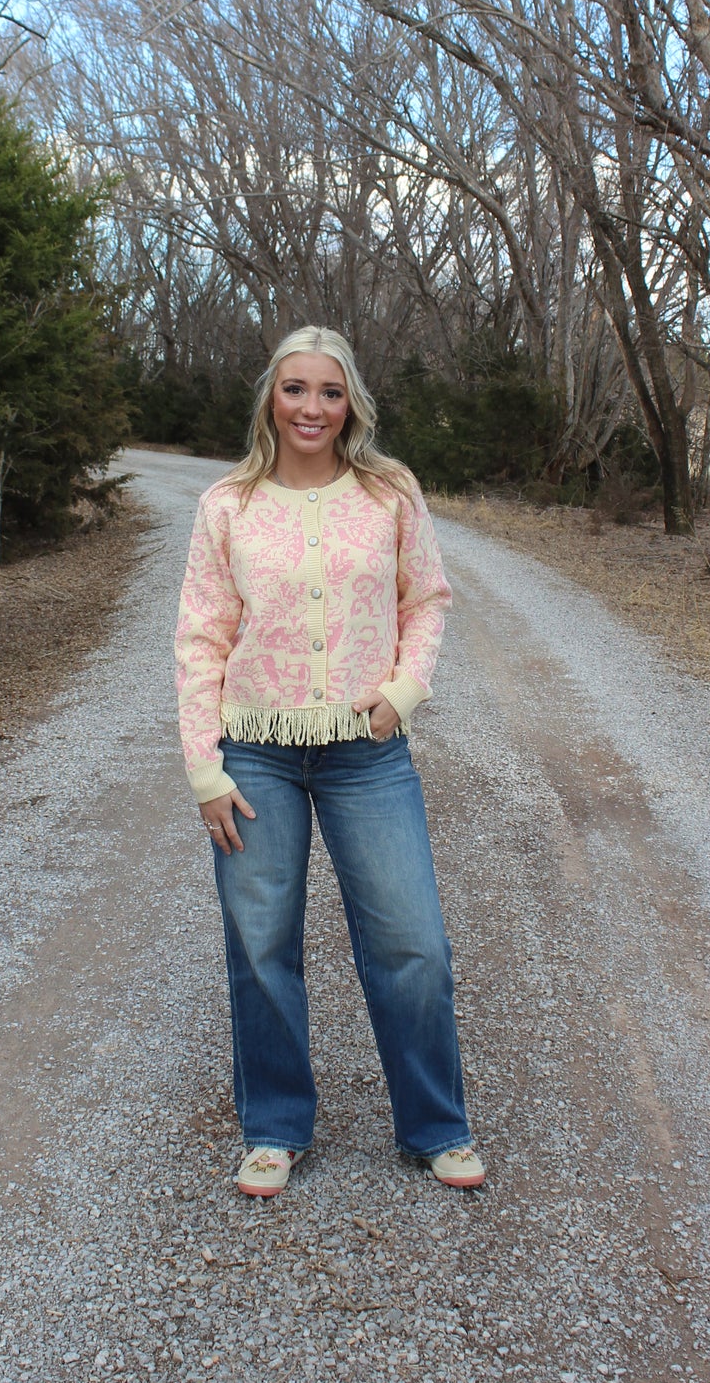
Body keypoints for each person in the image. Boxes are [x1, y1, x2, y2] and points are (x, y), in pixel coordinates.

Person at [173, 324, 485, 1199]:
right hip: (255, 753)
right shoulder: (226, 504)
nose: (312, 407)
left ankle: (435, 1126)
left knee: (411, 942)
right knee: (261, 943)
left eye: (330, 391)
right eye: (296, 389)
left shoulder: (388, 493)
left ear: (352, 405)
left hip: (366, 752)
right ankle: (272, 1126)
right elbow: (200, 637)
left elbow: (426, 599)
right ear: (271, 398)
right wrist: (206, 770)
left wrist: (404, 692)